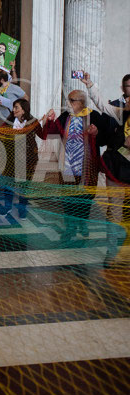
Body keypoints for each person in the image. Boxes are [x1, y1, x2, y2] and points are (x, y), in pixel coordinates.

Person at [42, 88, 108, 239]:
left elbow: (105, 138)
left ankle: (83, 222)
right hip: (68, 163)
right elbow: (52, 133)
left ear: (81, 102)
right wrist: (49, 120)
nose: (68, 103)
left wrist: (96, 133)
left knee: (86, 195)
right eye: (68, 100)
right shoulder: (66, 116)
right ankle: (70, 227)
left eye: (71, 100)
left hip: (87, 164)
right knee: (67, 196)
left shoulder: (94, 116)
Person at [81, 73, 130, 265]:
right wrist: (90, 85)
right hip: (116, 168)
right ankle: (111, 250)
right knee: (114, 210)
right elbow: (102, 105)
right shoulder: (121, 114)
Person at [0, 99, 43, 219]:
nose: (14, 110)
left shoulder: (33, 122)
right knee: (8, 182)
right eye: (13, 107)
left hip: (28, 158)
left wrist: (48, 121)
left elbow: (43, 135)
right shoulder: (9, 122)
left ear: (24, 110)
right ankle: (7, 206)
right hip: (10, 157)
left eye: (16, 107)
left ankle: (22, 209)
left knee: (24, 185)